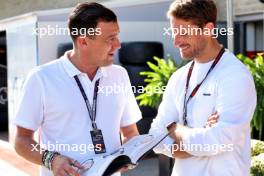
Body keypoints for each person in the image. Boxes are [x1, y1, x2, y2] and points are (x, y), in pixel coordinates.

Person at [14, 2, 142, 176]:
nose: (118, 44)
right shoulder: (41, 78)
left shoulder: (119, 75)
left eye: (117, 36)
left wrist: (128, 157)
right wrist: (51, 159)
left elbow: (131, 133)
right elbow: (22, 140)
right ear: (83, 42)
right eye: (110, 39)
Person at [149, 0, 257, 175]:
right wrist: (194, 143)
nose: (177, 41)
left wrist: (176, 129)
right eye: (174, 32)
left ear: (208, 29)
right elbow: (155, 135)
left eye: (183, 32)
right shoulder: (179, 77)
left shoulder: (235, 75)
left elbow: (218, 141)